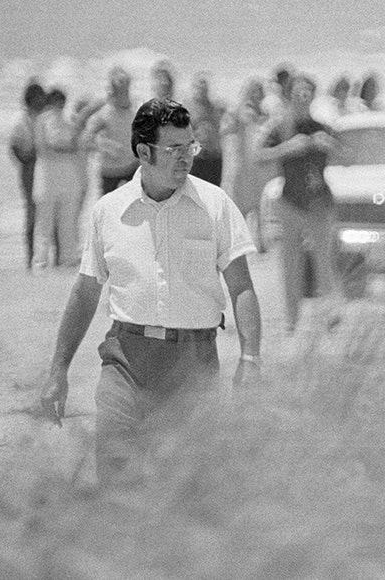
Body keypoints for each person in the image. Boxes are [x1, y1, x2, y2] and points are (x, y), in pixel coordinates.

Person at [39, 97, 263, 485]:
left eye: (189, 146)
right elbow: (86, 292)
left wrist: (251, 358)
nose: (186, 157)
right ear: (144, 151)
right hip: (126, 363)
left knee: (188, 488)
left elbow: (241, 286)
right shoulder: (108, 211)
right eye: (173, 149)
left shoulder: (215, 205)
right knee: (116, 479)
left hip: (194, 365)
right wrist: (59, 369)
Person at [256, 74, 344, 331]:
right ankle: (291, 320)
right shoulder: (279, 127)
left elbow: (347, 155)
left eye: (308, 93)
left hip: (320, 201)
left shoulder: (322, 127)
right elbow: (258, 155)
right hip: (290, 201)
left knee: (324, 260)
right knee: (290, 263)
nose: (303, 97)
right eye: (298, 92)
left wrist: (331, 145)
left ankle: (330, 315)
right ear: (290, 95)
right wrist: (287, 148)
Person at [32, 88, 86, 270]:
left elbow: (73, 144)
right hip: (49, 176)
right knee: (49, 222)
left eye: (61, 101)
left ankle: (64, 259)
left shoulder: (65, 120)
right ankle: (42, 260)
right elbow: (50, 144)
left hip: (63, 176)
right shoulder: (44, 120)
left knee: (65, 221)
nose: (59, 105)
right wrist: (68, 146)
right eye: (57, 101)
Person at [220, 78, 273, 250]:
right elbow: (226, 130)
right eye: (254, 91)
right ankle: (237, 244)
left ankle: (260, 242)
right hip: (240, 165)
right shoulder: (237, 111)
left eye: (259, 91)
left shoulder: (264, 113)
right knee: (238, 205)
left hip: (257, 166)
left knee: (258, 206)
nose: (257, 95)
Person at [9, 80, 46, 269]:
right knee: (31, 211)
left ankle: (47, 254)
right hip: (30, 168)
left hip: (47, 167)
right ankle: (30, 256)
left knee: (49, 210)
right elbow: (14, 147)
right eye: (38, 97)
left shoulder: (46, 117)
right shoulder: (21, 119)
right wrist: (27, 158)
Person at [86, 67, 138, 195]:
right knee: (108, 209)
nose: (122, 88)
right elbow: (88, 138)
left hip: (132, 168)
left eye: (125, 84)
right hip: (110, 171)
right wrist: (106, 146)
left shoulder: (134, 111)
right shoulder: (103, 113)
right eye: (118, 85)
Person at [187, 73, 225, 185]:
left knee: (213, 193)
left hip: (214, 157)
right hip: (196, 158)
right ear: (194, 88)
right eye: (199, 87)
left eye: (205, 87)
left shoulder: (215, 107)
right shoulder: (187, 108)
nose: (202, 90)